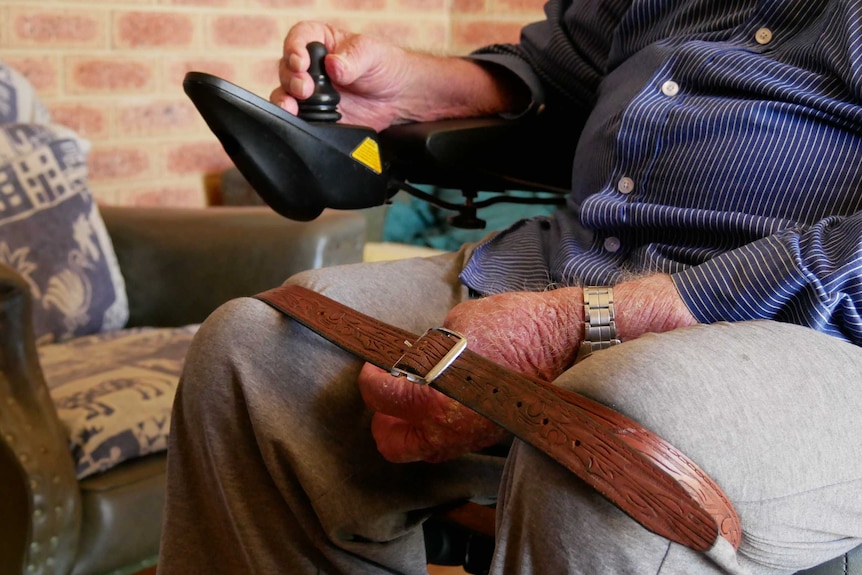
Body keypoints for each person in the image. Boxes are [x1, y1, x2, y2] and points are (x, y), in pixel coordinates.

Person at [158, 1, 862, 573]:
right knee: (258, 353)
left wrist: (590, 322)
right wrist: (412, 85)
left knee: (603, 437)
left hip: (809, 325)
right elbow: (555, 72)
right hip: (575, 261)